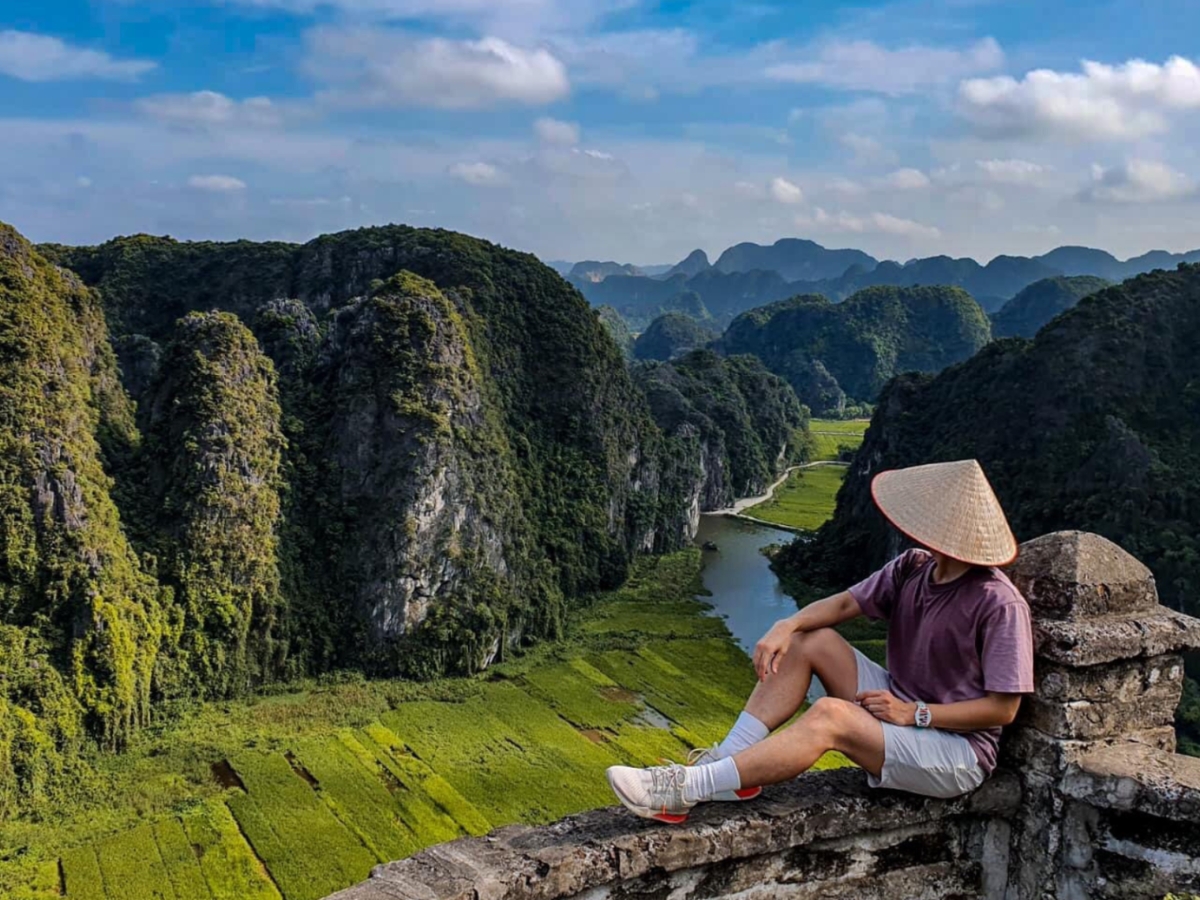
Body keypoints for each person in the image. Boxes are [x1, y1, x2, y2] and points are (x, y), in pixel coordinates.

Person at [606, 459, 1034, 823]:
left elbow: (1004, 709)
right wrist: (787, 625)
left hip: (957, 753)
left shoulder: (998, 604)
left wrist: (914, 714)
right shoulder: (914, 567)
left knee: (830, 715)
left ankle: (686, 788)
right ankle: (727, 765)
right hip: (899, 704)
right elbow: (847, 603)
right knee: (810, 639)